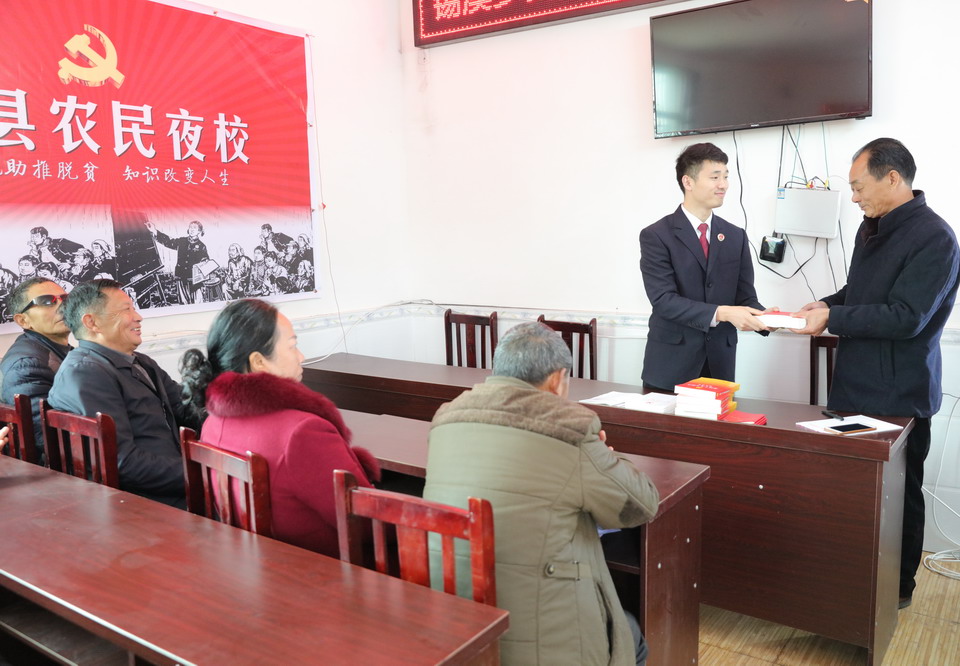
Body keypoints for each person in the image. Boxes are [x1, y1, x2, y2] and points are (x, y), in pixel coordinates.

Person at [423, 322, 660, 665]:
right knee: (630, 635)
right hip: (536, 631)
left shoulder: (447, 418)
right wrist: (608, 456)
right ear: (557, 379)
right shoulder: (569, 429)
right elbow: (641, 505)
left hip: (453, 615)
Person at [793, 138, 960, 610]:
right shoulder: (872, 228)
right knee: (852, 495)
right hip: (853, 387)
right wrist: (826, 303)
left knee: (899, 498)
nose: (853, 198)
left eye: (858, 187)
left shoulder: (935, 238)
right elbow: (861, 291)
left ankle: (897, 590)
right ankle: (852, 586)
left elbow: (907, 317)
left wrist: (834, 318)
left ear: (892, 178)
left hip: (898, 395)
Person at [179, 299, 380, 557]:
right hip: (324, 569)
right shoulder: (302, 432)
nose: (301, 357)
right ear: (259, 361)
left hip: (253, 565)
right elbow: (367, 525)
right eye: (293, 346)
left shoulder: (213, 422)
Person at [48, 279, 203, 507]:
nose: (138, 317)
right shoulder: (85, 373)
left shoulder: (140, 362)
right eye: (126, 310)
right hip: (150, 501)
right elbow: (123, 462)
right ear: (92, 322)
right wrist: (204, 474)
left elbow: (184, 408)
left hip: (176, 481)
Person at [639, 142, 770, 392]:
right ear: (688, 182)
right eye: (715, 177)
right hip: (670, 367)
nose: (724, 184)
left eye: (726, 176)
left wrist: (767, 318)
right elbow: (664, 301)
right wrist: (722, 313)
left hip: (719, 366)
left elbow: (745, 297)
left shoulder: (736, 236)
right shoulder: (656, 235)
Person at [1, 278, 73, 463]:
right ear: (23, 320)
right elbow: (48, 440)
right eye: (47, 301)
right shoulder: (26, 366)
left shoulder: (65, 352)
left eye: (65, 298)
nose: (62, 306)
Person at [146, 220, 210, 304]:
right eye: (190, 227)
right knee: (183, 302)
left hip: (195, 280)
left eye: (194, 228)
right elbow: (169, 242)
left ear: (199, 231)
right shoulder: (182, 241)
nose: (192, 229)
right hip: (181, 277)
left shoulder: (202, 246)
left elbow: (205, 262)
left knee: (197, 302)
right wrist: (154, 231)